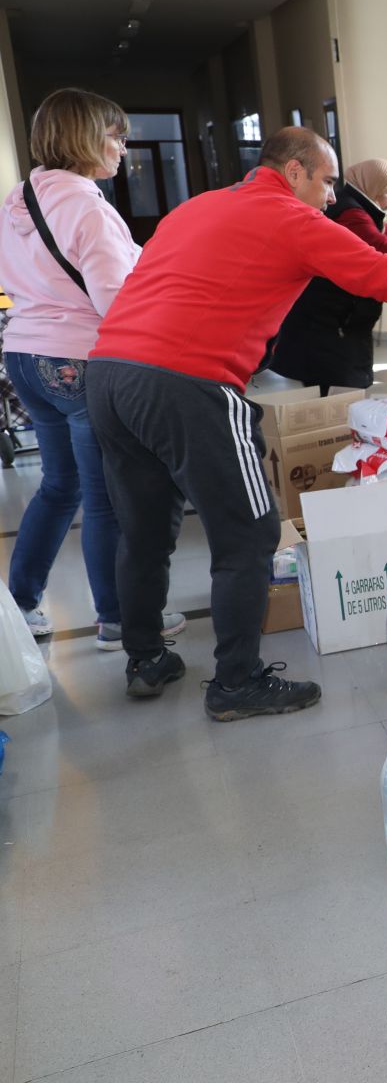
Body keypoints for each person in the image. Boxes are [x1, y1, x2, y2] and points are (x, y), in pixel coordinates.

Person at [87, 127, 387, 719]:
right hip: (189, 382)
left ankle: (145, 656)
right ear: (295, 171)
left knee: (145, 526)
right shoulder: (290, 218)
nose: (333, 197)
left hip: (110, 374)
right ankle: (236, 682)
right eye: (328, 182)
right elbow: (386, 275)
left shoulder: (198, 206)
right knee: (249, 533)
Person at [0, 88, 184, 660]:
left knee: (60, 485)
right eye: (115, 136)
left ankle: (21, 603)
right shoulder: (87, 207)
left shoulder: (17, 200)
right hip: (78, 361)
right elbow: (116, 300)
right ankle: (117, 618)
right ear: (85, 138)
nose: (123, 149)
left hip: (24, 358)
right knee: (105, 495)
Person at [266, 158, 387, 393]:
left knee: (345, 387)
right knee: (338, 391)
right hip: (328, 324)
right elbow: (383, 248)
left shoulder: (362, 209)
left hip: (341, 322)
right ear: (374, 187)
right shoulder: (350, 213)